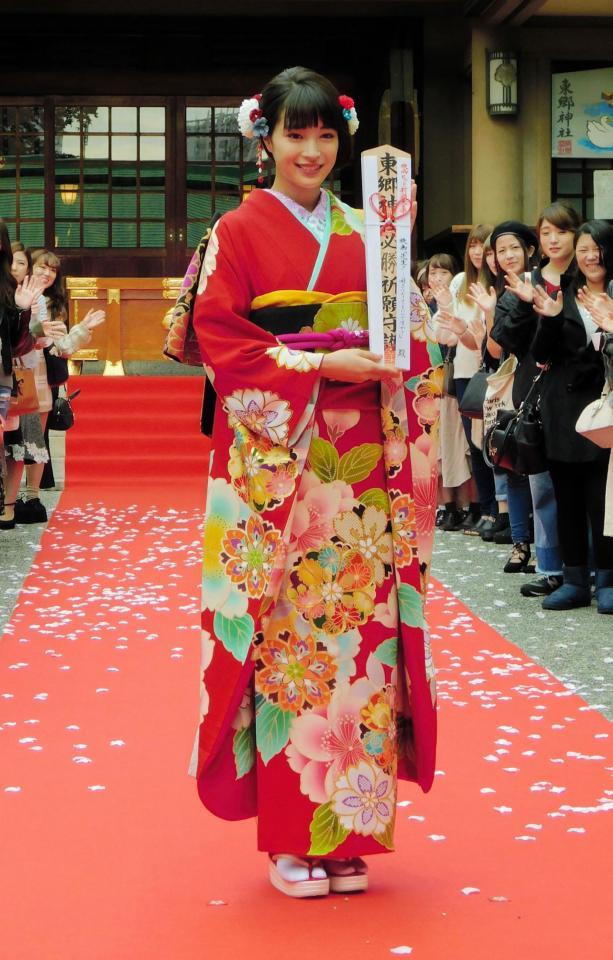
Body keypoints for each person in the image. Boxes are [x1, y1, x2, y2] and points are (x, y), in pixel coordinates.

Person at [191, 66, 439, 898]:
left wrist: (394, 355)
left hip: (358, 455)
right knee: (293, 643)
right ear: (262, 139)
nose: (311, 150)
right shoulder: (237, 228)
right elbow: (222, 341)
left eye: (325, 135)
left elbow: (410, 336)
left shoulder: (368, 228)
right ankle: (290, 840)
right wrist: (319, 357)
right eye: (294, 134)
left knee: (359, 642)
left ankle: (349, 830)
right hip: (283, 465)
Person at [495, 202, 581, 597]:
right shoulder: (524, 283)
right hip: (535, 391)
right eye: (546, 233)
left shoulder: (586, 277)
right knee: (543, 484)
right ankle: (550, 566)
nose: (553, 240)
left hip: (583, 391)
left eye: (560, 232)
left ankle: (592, 567)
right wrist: (527, 304)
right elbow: (505, 342)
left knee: (588, 484)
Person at [531, 219, 613, 613]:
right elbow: (541, 356)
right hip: (563, 411)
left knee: (605, 499)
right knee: (567, 495)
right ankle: (575, 578)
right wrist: (548, 319)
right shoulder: (559, 293)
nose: (590, 255)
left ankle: (608, 577)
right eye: (583, 249)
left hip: (607, 409)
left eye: (597, 247)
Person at [433, 224, 496, 534]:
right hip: (463, 370)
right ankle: (485, 509)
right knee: (473, 442)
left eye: (483, 248)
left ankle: (496, 511)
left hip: (491, 369)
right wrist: (444, 306)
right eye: (472, 246)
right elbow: (444, 332)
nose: (476, 253)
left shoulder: (496, 283)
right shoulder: (460, 282)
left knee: (493, 441)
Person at [427, 253, 473, 532]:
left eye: (443, 273)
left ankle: (467, 505)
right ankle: (447, 507)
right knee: (439, 448)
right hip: (431, 384)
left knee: (460, 445)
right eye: (432, 273)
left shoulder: (456, 301)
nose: (437, 278)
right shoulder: (424, 305)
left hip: (453, 379)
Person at [0, 221, 39, 527]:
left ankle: (8, 504)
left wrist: (20, 311)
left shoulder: (9, 288)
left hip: (5, 373)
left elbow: (17, 342)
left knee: (11, 442)